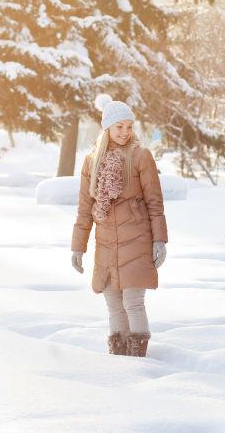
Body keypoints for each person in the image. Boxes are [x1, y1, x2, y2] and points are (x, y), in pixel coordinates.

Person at [70, 98, 168, 357]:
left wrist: (160, 241)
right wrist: (78, 247)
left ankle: (138, 361)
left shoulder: (140, 157)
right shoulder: (92, 161)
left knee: (133, 302)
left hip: (136, 238)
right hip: (105, 243)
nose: (125, 132)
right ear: (107, 129)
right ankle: (119, 364)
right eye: (119, 127)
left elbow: (154, 203)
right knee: (113, 304)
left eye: (128, 126)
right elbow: (84, 209)